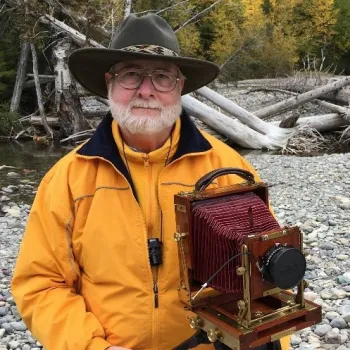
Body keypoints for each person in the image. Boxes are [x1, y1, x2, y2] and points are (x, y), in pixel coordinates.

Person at [11, 13, 290, 350]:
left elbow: (265, 275)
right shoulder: (68, 179)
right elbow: (41, 284)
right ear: (110, 83)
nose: (146, 90)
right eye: (131, 74)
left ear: (179, 86)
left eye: (162, 76)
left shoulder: (228, 169)